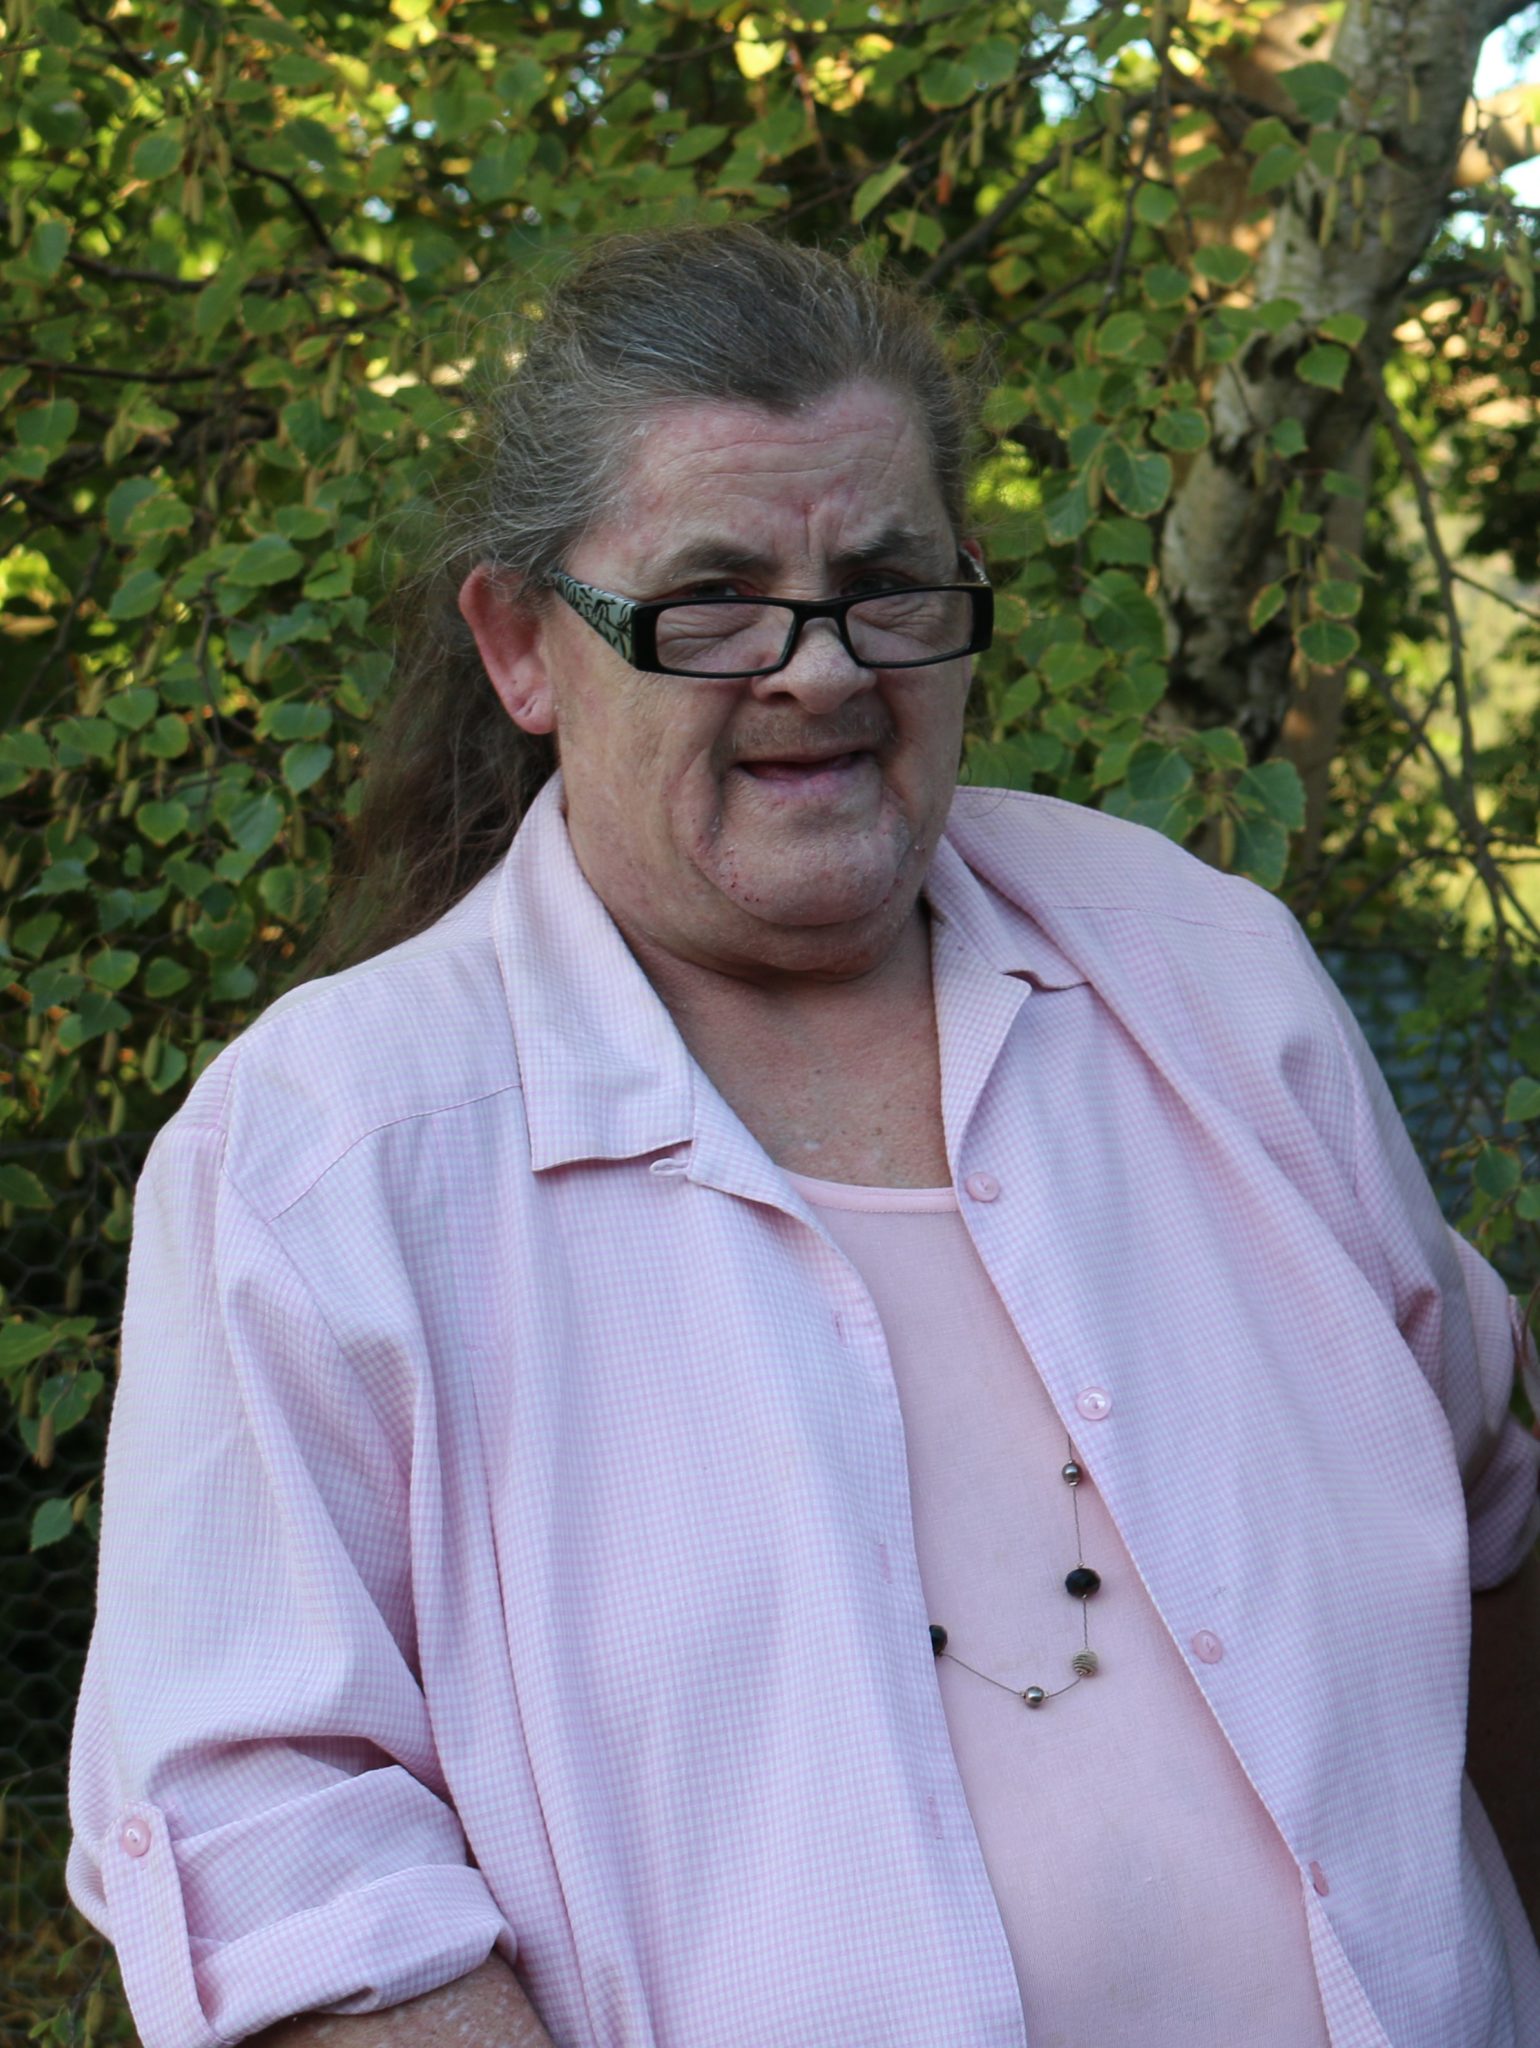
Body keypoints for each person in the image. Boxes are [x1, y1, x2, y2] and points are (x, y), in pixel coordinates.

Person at [68, 226, 1540, 2048]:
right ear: (523, 647)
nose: (823, 673)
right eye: (715, 601)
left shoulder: (1213, 980)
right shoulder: (327, 1163)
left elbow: (1488, 1526)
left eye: (886, 585)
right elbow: (279, 1863)